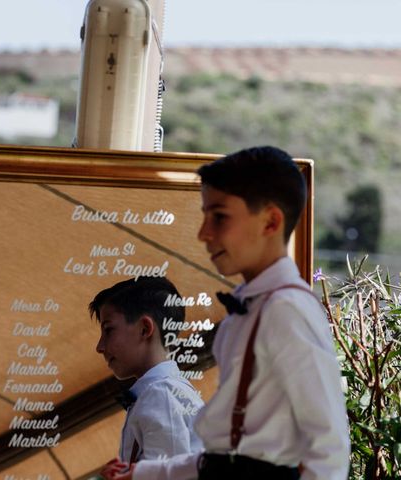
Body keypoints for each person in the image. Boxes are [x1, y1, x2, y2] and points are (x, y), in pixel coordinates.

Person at [108, 146, 350, 480]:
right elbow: (221, 459)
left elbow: (328, 452)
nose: (203, 233)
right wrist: (141, 473)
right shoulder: (243, 315)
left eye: (219, 216)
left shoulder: (287, 312)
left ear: (271, 221)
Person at [90, 277, 204, 476]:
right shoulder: (170, 392)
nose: (99, 347)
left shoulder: (160, 394)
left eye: (108, 330)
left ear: (145, 329)